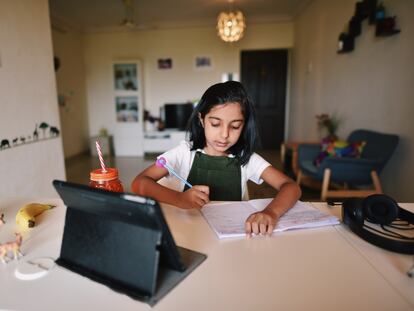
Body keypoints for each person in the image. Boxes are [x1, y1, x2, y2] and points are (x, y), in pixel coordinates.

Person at [131, 81, 301, 236]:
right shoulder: (184, 153)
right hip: (188, 235)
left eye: (235, 126)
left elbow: (292, 187)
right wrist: (180, 199)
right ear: (202, 120)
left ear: (244, 125)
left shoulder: (246, 158)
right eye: (215, 124)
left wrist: (271, 212)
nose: (225, 134)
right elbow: (139, 183)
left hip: (232, 238)